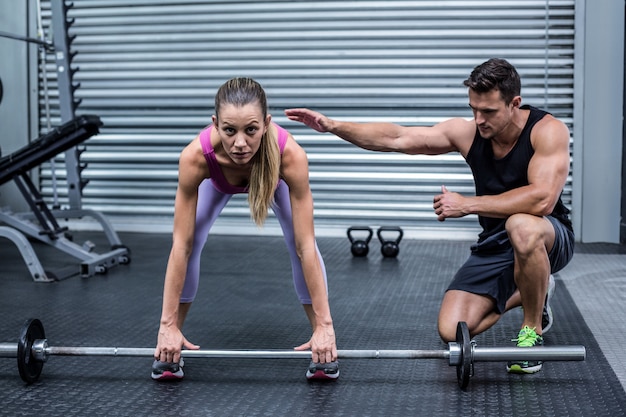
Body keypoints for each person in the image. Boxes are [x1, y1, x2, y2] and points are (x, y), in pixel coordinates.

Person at [285, 58, 574, 374]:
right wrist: (333, 126)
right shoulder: (468, 132)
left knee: (521, 226)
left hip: (547, 235)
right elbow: (398, 138)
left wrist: (468, 204)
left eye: (488, 111)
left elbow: (543, 199)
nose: (478, 119)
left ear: (514, 103)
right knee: (452, 330)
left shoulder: (546, 130)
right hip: (496, 241)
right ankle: (536, 288)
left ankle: (531, 332)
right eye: (473, 109)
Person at [153, 77, 338, 381]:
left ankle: (324, 341)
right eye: (229, 130)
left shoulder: (290, 156)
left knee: (298, 243)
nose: (240, 143)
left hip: (272, 177)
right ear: (215, 124)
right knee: (192, 238)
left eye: (251, 130)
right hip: (217, 181)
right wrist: (166, 326)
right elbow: (181, 246)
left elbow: (306, 246)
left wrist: (326, 327)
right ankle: (170, 342)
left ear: (266, 124)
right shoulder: (195, 158)